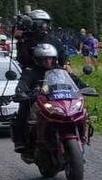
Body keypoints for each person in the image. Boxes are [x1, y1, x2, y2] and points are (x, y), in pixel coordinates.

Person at [10, 9, 72, 154]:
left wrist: (66, 64)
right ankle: (21, 141)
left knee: (68, 103)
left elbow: (63, 55)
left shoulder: (53, 39)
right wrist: (20, 41)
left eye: (46, 23)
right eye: (42, 23)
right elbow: (23, 60)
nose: (45, 26)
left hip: (54, 75)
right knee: (24, 108)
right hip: (33, 77)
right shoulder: (26, 40)